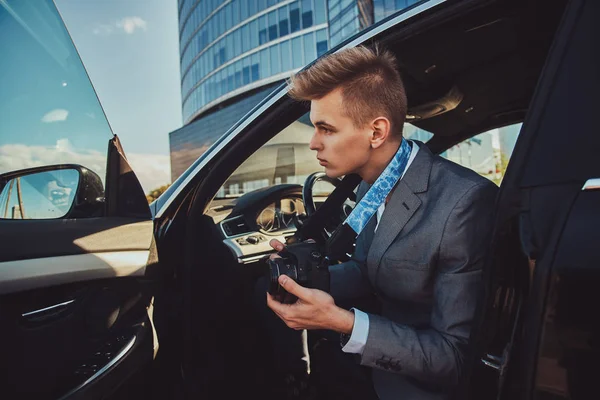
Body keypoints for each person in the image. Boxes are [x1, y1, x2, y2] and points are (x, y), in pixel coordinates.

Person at [263, 45, 498, 400]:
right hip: (365, 367)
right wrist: (308, 276)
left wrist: (341, 322)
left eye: (326, 129)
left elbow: (455, 358)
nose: (313, 143)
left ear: (376, 132)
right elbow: (367, 268)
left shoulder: (462, 203)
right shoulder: (371, 184)